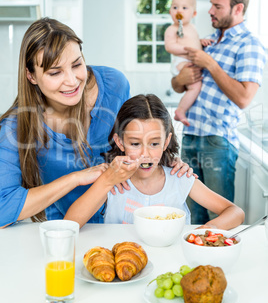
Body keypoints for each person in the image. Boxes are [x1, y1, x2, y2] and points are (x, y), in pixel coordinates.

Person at [0, 17, 193, 228]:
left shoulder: (114, 86)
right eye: (55, 72)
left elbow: (134, 141)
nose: (72, 81)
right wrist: (75, 178)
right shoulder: (16, 126)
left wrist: (164, 161)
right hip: (70, 228)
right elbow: (3, 209)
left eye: (77, 64)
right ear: (31, 76)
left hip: (120, 225)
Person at [65, 94, 245, 229]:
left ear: (166, 142)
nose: (145, 153)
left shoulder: (179, 177)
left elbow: (235, 212)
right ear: (120, 142)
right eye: (135, 143)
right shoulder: (112, 181)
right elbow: (69, 225)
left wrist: (207, 229)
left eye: (154, 143)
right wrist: (106, 182)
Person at [171, 0, 267, 224]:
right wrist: (181, 78)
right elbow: (178, 86)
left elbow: (245, 98)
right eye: (211, 5)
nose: (210, 11)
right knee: (192, 215)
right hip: (191, 136)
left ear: (238, 9)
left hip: (218, 141)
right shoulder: (208, 42)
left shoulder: (250, 46)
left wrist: (210, 64)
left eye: (218, 7)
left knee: (219, 217)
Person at [164, 0, 212, 126]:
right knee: (195, 86)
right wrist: (188, 49)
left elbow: (194, 41)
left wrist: (201, 41)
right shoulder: (171, 29)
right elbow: (169, 47)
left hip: (190, 61)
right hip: (181, 62)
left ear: (194, 13)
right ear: (170, 11)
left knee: (198, 83)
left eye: (184, 8)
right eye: (175, 7)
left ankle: (182, 109)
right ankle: (181, 110)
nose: (179, 10)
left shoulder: (192, 27)